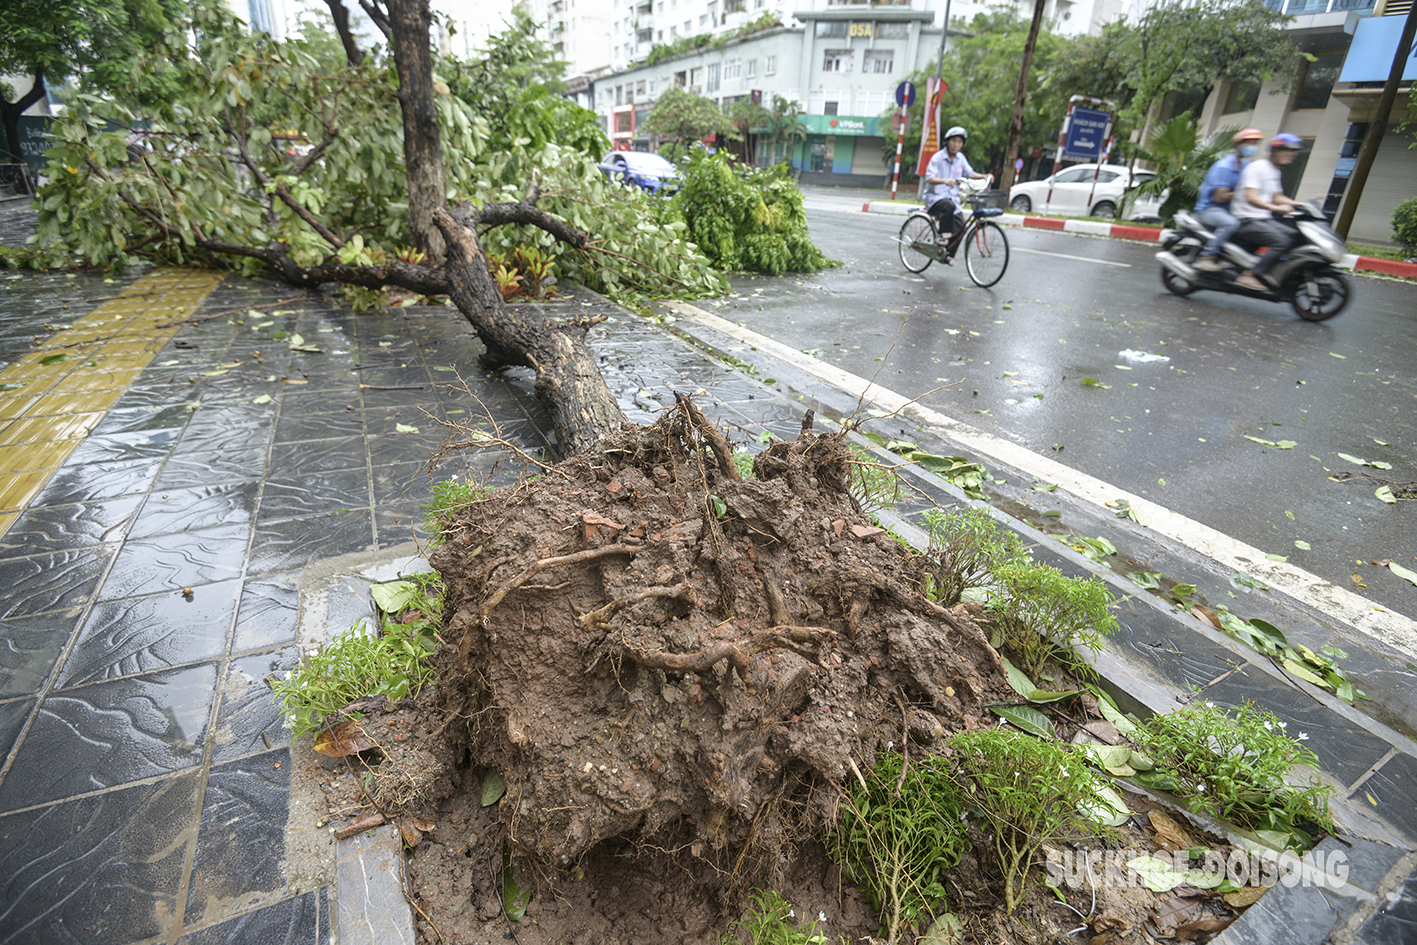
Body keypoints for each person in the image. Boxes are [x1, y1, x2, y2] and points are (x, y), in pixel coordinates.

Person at [1231, 133, 1302, 291]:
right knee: (1282, 242)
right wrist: (1276, 209)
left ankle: (1272, 270)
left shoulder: (1275, 171)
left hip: (1262, 219)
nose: (1291, 154)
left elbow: (1277, 197)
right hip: (1246, 219)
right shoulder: (1258, 167)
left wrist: (1302, 205)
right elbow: (1251, 197)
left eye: (1294, 151)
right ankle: (1249, 275)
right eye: (1286, 149)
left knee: (1294, 235)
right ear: (1274, 150)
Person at [1193, 128, 1264, 272]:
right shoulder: (1224, 167)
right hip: (1210, 209)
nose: (1252, 147)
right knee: (1231, 224)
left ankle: (1231, 258)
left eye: (1255, 143)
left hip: (1230, 209)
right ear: (1238, 144)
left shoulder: (1246, 166)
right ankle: (1206, 257)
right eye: (1249, 143)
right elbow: (1219, 198)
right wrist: (1243, 193)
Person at [923, 126, 992, 258]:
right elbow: (930, 179)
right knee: (949, 206)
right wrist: (944, 181)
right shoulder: (937, 158)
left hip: (953, 200)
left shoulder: (961, 158)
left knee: (961, 228)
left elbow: (970, 173)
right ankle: (941, 235)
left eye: (960, 142)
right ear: (947, 141)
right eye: (954, 141)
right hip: (935, 199)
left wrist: (984, 176)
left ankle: (947, 255)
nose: (956, 145)